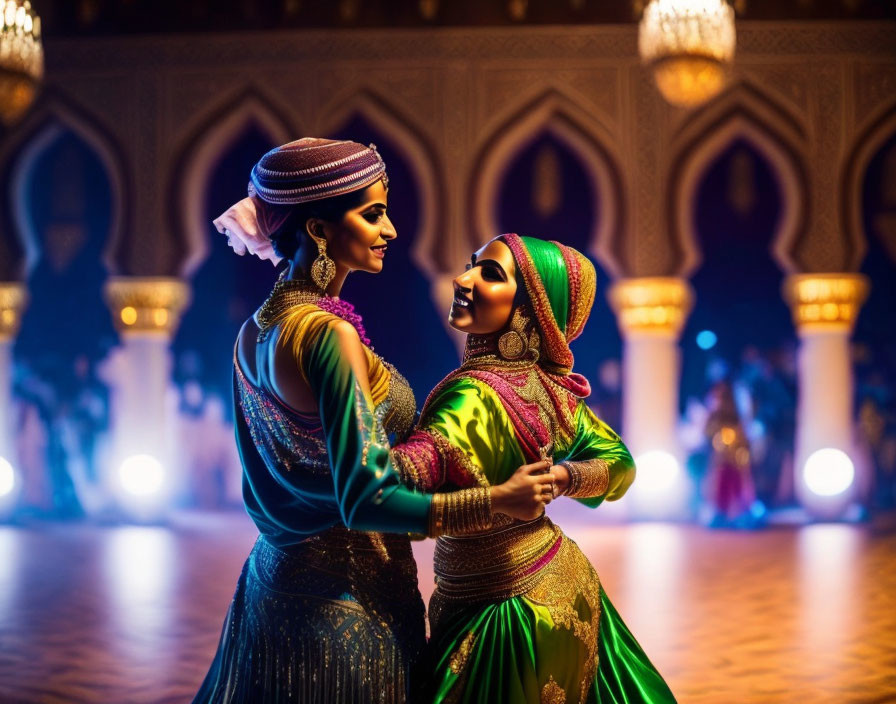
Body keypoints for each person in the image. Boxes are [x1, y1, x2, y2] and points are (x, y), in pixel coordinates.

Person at [193, 140, 553, 704]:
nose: (389, 231)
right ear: (318, 229)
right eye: (373, 213)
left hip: (271, 589)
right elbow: (365, 500)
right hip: (348, 607)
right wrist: (497, 500)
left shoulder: (253, 332)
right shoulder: (325, 336)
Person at [391, 234, 676, 703]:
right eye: (471, 265)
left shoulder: (473, 394)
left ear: (527, 310)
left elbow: (399, 481)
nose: (463, 279)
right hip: (560, 581)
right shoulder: (553, 392)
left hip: (505, 614)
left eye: (490, 273)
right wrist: (567, 479)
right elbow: (620, 465)